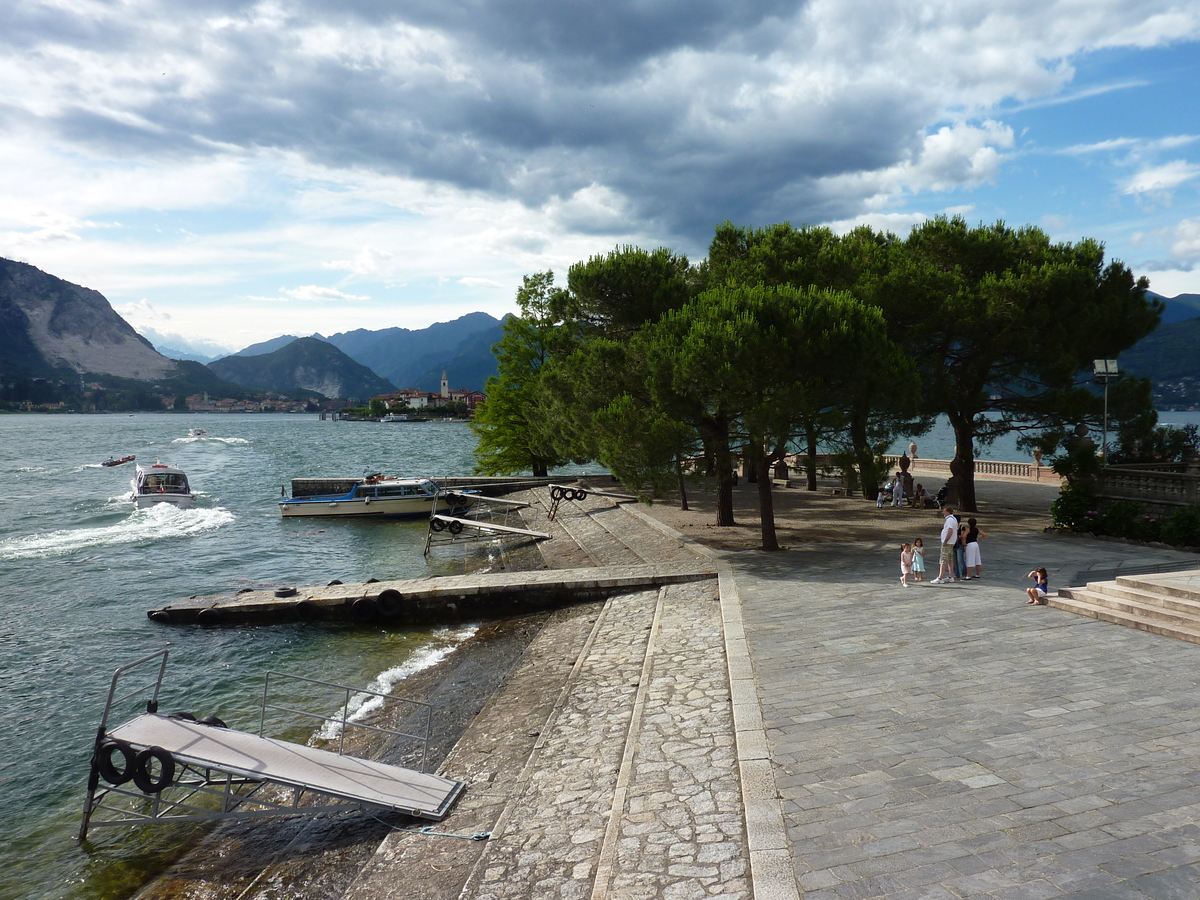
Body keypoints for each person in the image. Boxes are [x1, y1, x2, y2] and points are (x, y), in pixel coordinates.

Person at [931, 506, 958, 583]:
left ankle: (940, 578)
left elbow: (950, 531)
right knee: (950, 559)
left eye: (944, 511)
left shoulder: (949, 520)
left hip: (948, 542)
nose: (943, 512)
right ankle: (950, 576)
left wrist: (946, 540)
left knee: (943, 559)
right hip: (951, 542)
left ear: (948, 512)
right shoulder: (954, 519)